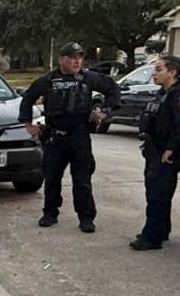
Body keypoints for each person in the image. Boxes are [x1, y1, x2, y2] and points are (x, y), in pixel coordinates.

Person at [19, 41, 120, 233]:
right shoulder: (48, 80)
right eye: (73, 57)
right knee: (52, 177)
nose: (77, 61)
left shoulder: (89, 78)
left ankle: (86, 217)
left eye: (80, 57)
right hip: (55, 138)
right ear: (62, 59)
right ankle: (50, 213)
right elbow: (27, 99)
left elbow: (113, 90)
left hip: (79, 137)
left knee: (82, 180)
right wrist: (28, 124)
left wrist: (104, 111)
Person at [130, 55, 180, 250]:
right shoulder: (164, 93)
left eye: (159, 69)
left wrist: (172, 149)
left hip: (167, 153)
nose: (154, 73)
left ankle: (151, 237)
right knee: (157, 191)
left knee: (158, 195)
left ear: (172, 72)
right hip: (155, 150)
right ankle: (161, 229)